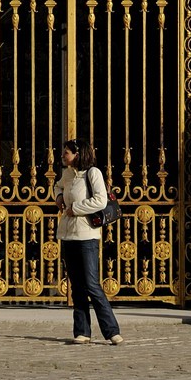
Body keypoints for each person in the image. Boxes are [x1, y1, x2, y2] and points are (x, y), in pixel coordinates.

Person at [55, 138, 122, 345]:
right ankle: (82, 331)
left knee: (92, 284)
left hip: (86, 236)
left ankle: (111, 331)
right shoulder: (67, 174)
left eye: (67, 152)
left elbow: (100, 200)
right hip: (68, 235)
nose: (63, 155)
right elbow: (57, 187)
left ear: (77, 154)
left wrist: (74, 208)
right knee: (77, 286)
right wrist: (58, 197)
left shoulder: (93, 173)